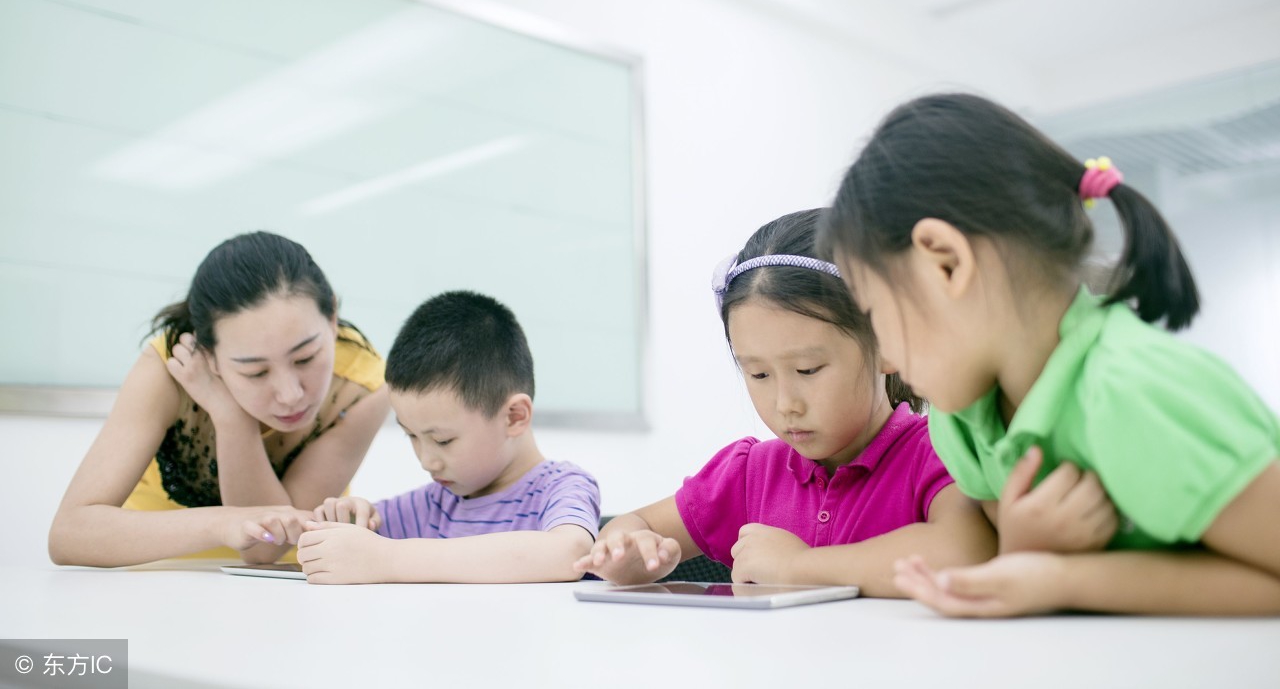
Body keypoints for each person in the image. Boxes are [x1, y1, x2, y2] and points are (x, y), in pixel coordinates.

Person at [820, 92, 1280, 616]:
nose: (890, 361)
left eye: (877, 314)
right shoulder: (962, 421)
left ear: (945, 262)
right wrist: (1024, 551)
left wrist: (1067, 578)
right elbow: (1020, 582)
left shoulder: (1132, 391)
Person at [574, 210, 995, 595]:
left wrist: (800, 565)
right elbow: (637, 525)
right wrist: (628, 554)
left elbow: (964, 552)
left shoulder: (940, 448)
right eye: (757, 374)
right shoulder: (749, 473)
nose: (785, 403)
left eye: (808, 369)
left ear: (886, 343)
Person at [48, 232, 389, 567]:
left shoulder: (363, 384)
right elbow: (69, 534)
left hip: (287, 584)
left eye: (306, 358)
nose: (290, 395)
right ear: (209, 357)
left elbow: (264, 549)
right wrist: (224, 522)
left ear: (331, 318)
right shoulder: (170, 369)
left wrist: (231, 416)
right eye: (255, 372)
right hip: (158, 576)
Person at [298, 290, 600, 583]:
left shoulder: (560, 487)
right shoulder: (432, 506)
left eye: (442, 440)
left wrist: (390, 558)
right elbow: (357, 545)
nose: (427, 461)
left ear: (514, 416)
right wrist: (347, 523)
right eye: (411, 436)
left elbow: (569, 553)